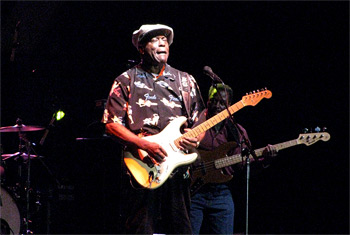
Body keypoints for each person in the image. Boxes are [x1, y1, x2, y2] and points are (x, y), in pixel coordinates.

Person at [102, 24, 205, 234]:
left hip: (177, 168)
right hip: (142, 165)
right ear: (141, 48)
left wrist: (196, 138)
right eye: (155, 39)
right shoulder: (125, 80)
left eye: (165, 40)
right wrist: (143, 144)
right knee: (141, 227)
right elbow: (111, 124)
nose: (162, 43)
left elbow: (200, 117)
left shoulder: (186, 80)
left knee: (182, 228)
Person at [189, 84, 277, 234]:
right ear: (207, 102)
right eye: (213, 101)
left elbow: (243, 166)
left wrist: (265, 160)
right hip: (194, 191)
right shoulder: (195, 123)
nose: (217, 106)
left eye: (222, 103)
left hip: (221, 193)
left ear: (230, 106)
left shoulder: (237, 132)